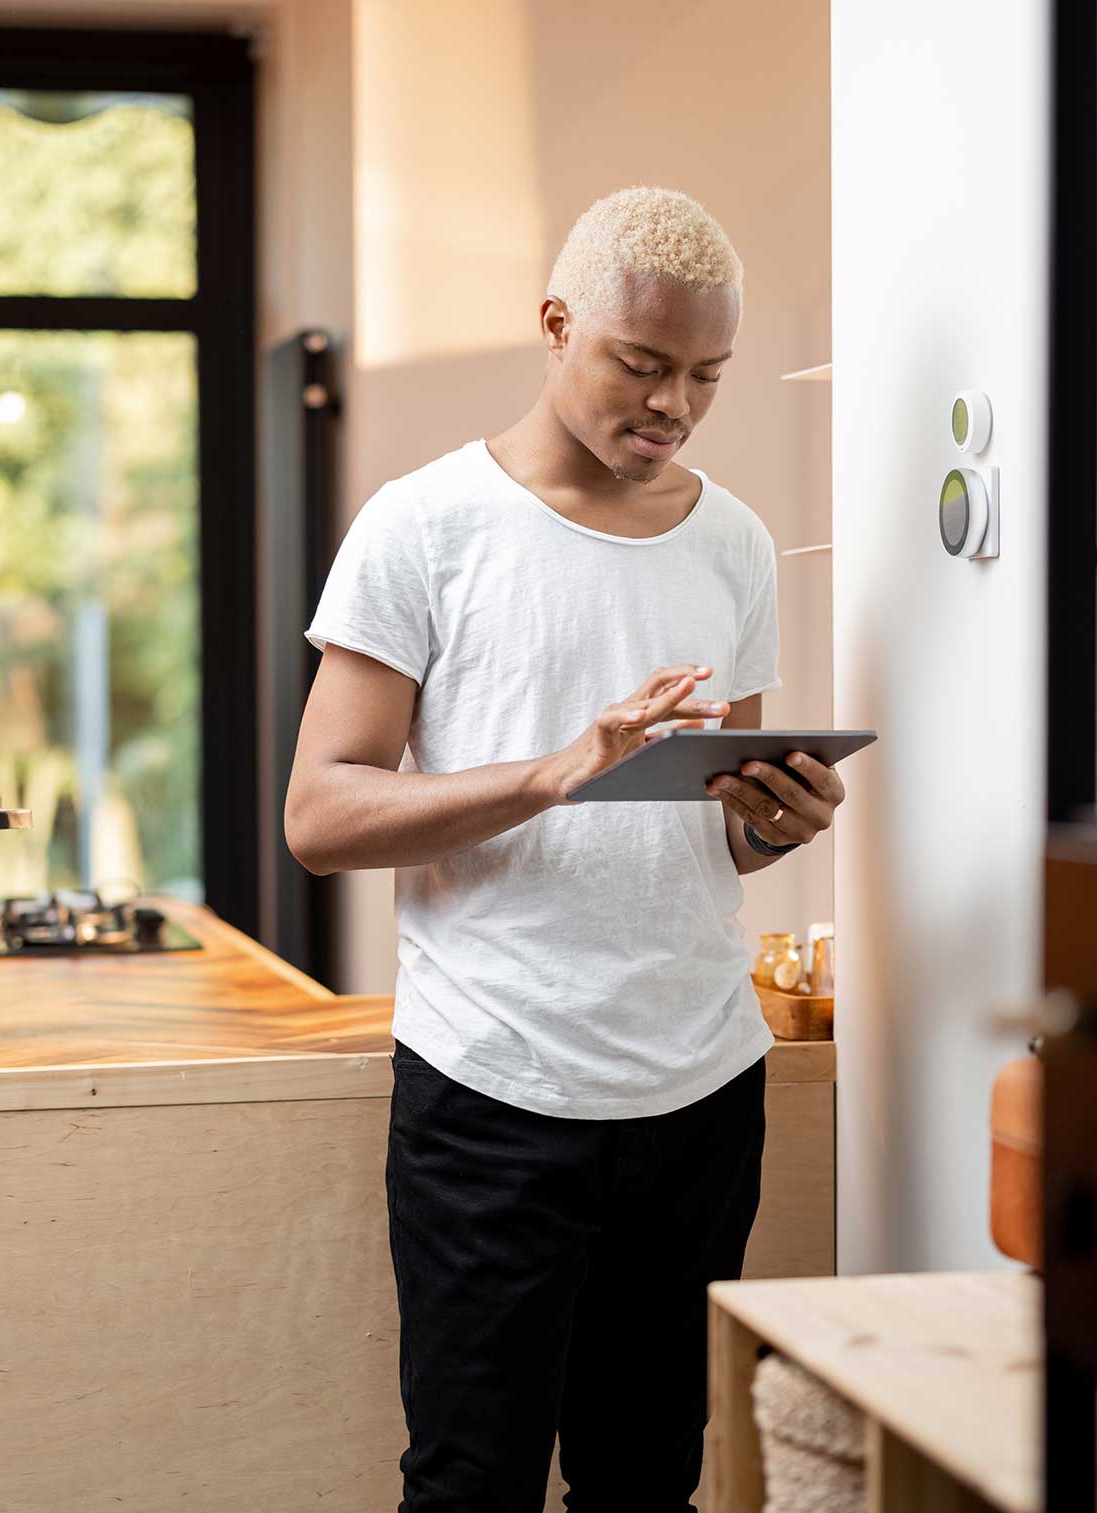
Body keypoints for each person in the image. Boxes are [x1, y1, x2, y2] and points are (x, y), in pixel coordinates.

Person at [286, 184, 846, 1512]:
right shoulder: (426, 526)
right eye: (642, 365)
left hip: (702, 1088)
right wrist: (558, 770)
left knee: (650, 1482)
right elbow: (320, 813)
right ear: (556, 325)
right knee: (472, 1484)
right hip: (495, 1093)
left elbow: (728, 828)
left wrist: (780, 818)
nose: (674, 406)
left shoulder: (735, 541)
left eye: (704, 376)